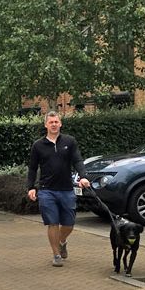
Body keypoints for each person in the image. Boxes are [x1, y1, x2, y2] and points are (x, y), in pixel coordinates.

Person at [27, 111, 90, 267]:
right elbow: (32, 168)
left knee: (69, 223)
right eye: (51, 122)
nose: (54, 124)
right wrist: (31, 187)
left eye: (56, 122)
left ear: (60, 123)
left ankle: (62, 241)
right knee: (52, 223)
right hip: (46, 190)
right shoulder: (38, 145)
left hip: (67, 189)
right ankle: (56, 254)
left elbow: (78, 160)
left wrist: (83, 176)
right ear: (46, 125)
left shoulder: (70, 141)